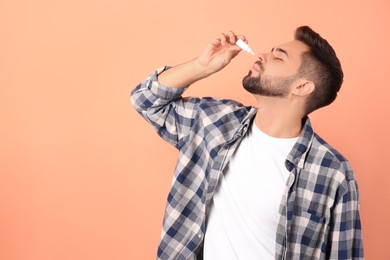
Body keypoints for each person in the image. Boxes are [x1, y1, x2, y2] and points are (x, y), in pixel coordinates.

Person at [131, 26, 364, 260]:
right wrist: (201, 67)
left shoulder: (333, 172)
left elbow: (345, 254)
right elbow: (145, 100)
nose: (263, 55)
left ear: (301, 86)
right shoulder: (215, 121)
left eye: (278, 57)